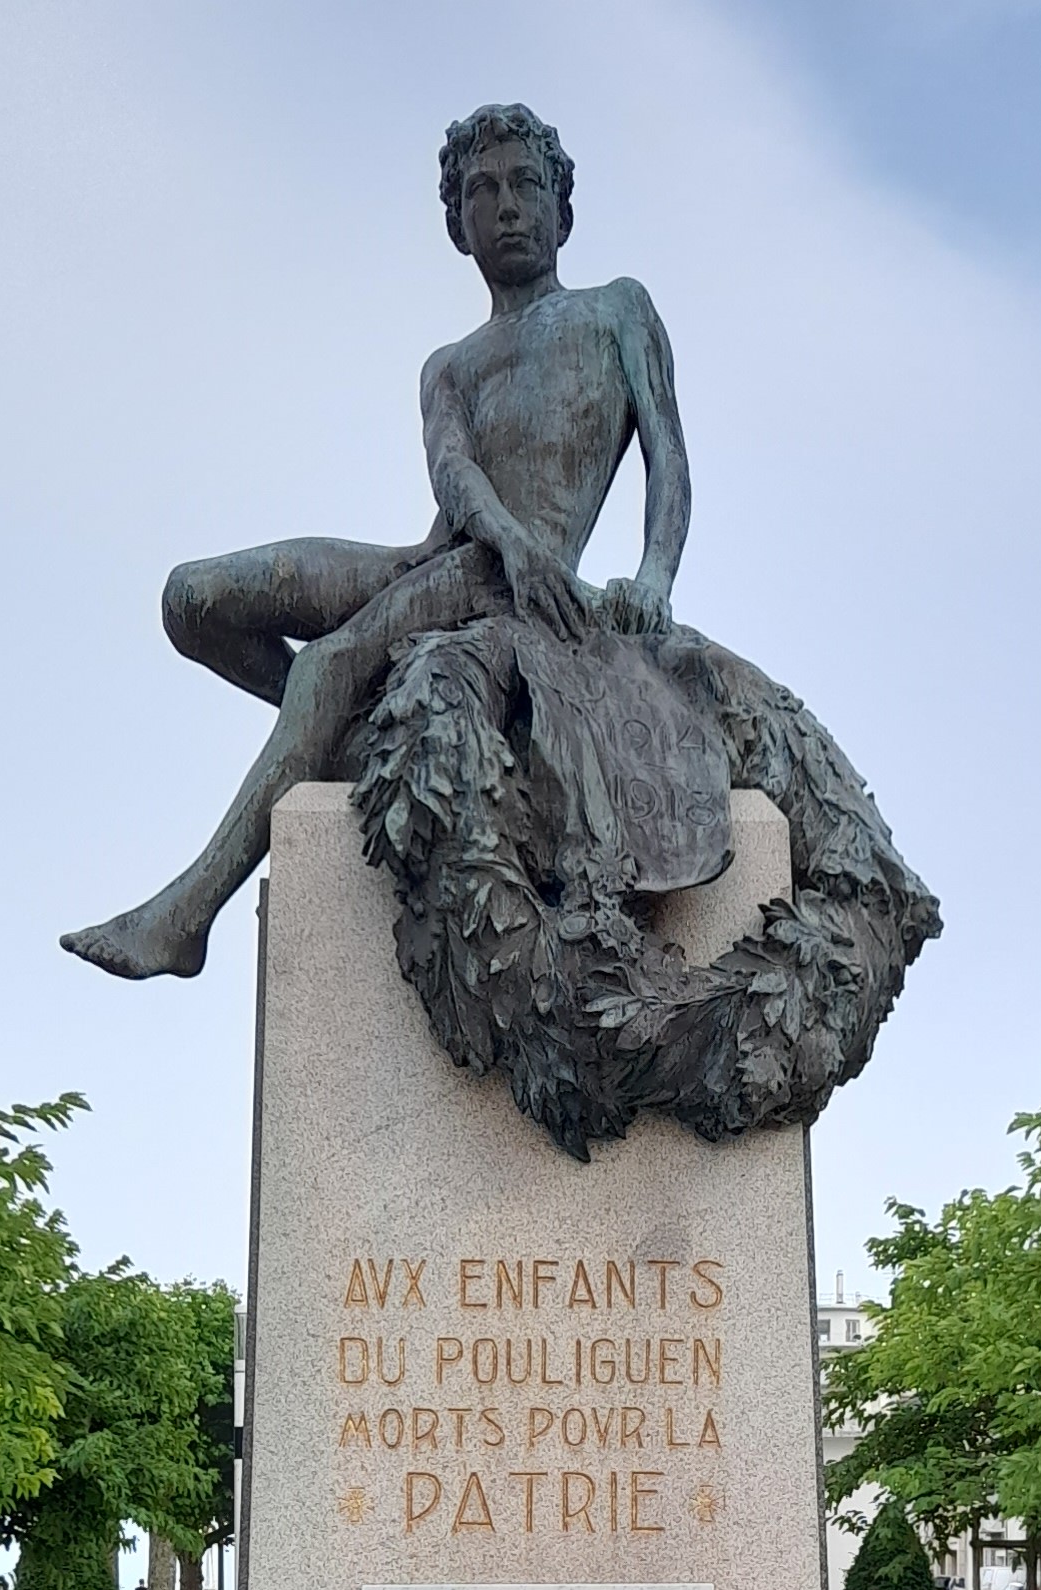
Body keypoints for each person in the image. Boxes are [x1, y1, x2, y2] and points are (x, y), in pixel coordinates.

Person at [64, 103, 691, 982]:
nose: (506, 204)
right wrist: (506, 537)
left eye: (525, 185)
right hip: (450, 553)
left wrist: (653, 578)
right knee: (193, 599)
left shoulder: (617, 310)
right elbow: (453, 474)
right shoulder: (449, 364)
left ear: (563, 209)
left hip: (503, 583)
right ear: (457, 226)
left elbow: (669, 459)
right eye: (482, 191)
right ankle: (333, 734)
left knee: (327, 663)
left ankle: (187, 914)